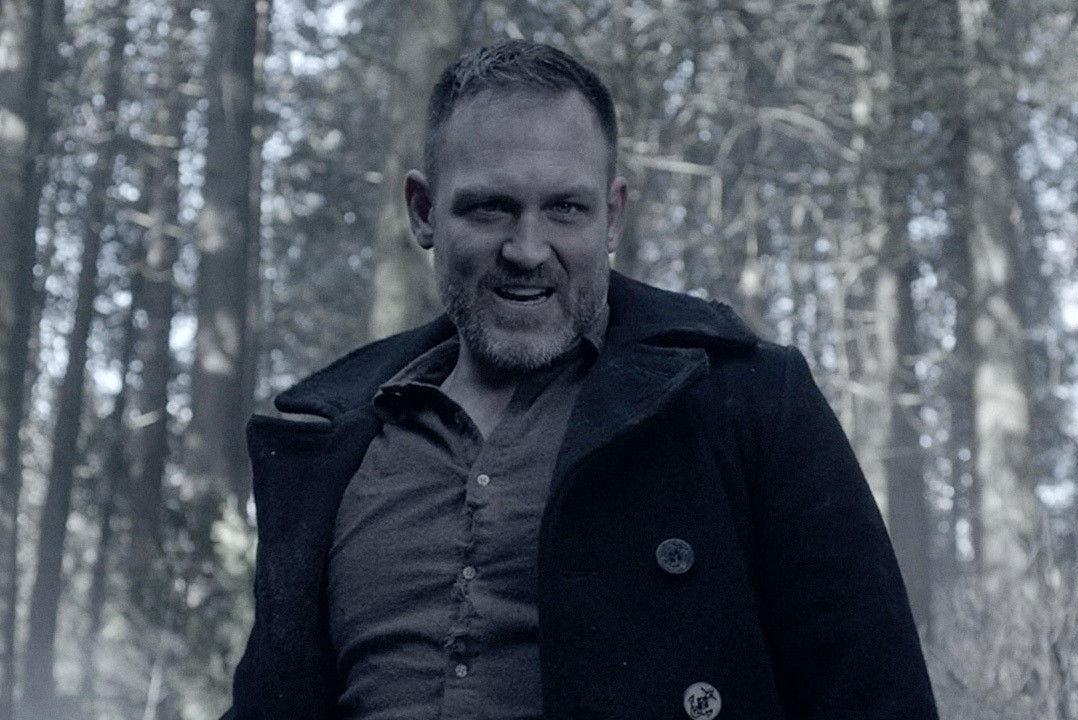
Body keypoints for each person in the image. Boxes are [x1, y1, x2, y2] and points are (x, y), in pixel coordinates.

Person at [223, 40, 937, 720]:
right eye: (490, 207)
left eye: (565, 208)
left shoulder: (744, 402)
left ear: (613, 216)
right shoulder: (330, 441)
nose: (527, 250)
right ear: (423, 212)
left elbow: (876, 699)